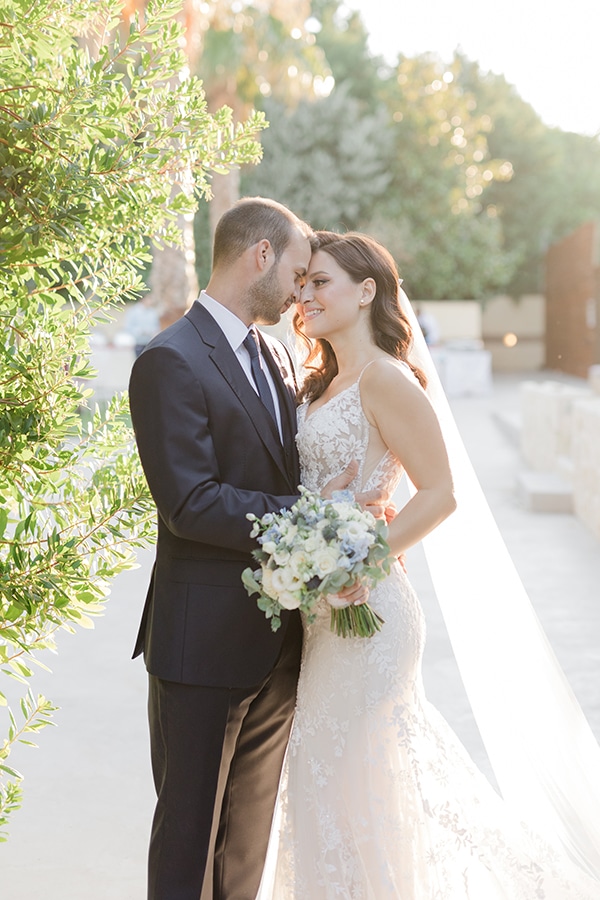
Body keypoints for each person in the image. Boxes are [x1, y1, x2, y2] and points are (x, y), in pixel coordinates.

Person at [256, 231, 600, 898]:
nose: (305, 294)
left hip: (371, 616)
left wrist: (365, 553)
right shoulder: (316, 384)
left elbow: (441, 491)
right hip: (323, 619)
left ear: (366, 290)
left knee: (356, 785)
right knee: (326, 788)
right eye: (303, 284)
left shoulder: (386, 379)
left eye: (320, 281)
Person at [128, 199, 383, 900]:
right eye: (299, 273)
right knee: (189, 845)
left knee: (246, 848)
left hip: (278, 645)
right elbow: (190, 505)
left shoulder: (272, 351)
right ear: (260, 257)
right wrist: (312, 514)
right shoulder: (168, 360)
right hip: (201, 648)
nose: (303, 291)